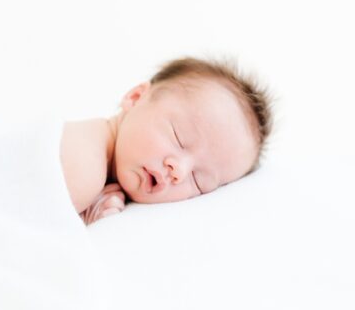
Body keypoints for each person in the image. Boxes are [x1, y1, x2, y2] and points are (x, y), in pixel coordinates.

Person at [62, 57, 273, 225]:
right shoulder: (85, 163)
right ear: (136, 97)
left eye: (198, 180)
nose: (178, 171)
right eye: (179, 137)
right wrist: (77, 219)